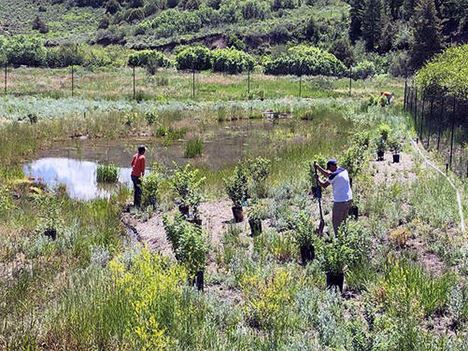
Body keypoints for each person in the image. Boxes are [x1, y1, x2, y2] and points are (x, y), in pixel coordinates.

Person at [314, 159, 353, 234]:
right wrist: (318, 167)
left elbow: (324, 185)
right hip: (349, 199)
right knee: (343, 221)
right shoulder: (344, 170)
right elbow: (328, 174)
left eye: (329, 168)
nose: (329, 170)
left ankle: (339, 241)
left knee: (336, 222)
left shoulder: (334, 175)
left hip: (340, 202)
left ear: (332, 166)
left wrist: (318, 178)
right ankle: (345, 238)